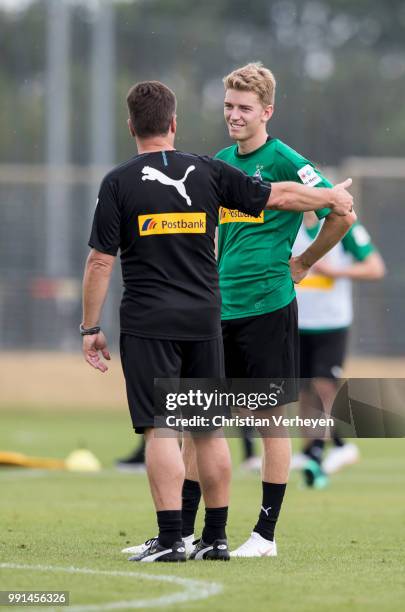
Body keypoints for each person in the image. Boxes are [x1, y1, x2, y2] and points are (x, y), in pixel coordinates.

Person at [122, 66, 356, 560]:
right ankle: (181, 534)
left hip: (268, 306)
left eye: (244, 107)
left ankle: (265, 537)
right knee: (197, 419)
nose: (234, 114)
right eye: (229, 105)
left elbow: (343, 212)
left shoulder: (288, 160)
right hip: (216, 310)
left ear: (266, 112)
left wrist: (304, 263)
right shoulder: (219, 163)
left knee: (272, 421)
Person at [291, 211, 385, 488]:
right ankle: (313, 452)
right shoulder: (288, 224)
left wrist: (335, 272)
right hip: (295, 322)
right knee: (303, 390)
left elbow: (375, 267)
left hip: (331, 323)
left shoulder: (342, 226)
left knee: (324, 386)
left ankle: (321, 452)